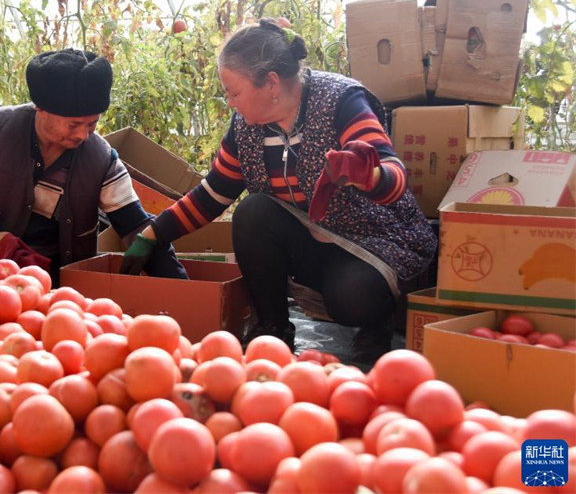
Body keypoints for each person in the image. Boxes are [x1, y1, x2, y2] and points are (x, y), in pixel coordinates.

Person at [120, 19, 437, 366]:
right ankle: (272, 328)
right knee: (253, 211)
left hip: (371, 244)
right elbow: (213, 194)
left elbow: (394, 176)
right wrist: (153, 234)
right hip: (312, 244)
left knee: (351, 298)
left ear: (271, 83)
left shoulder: (341, 101)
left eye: (234, 92)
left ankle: (378, 322)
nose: (230, 103)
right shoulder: (245, 129)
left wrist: (370, 176)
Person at [0, 48, 187, 285]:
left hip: (51, 291)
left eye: (92, 124)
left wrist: (186, 291)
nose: (84, 135)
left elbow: (134, 224)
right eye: (74, 124)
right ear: (41, 109)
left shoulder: (102, 160)